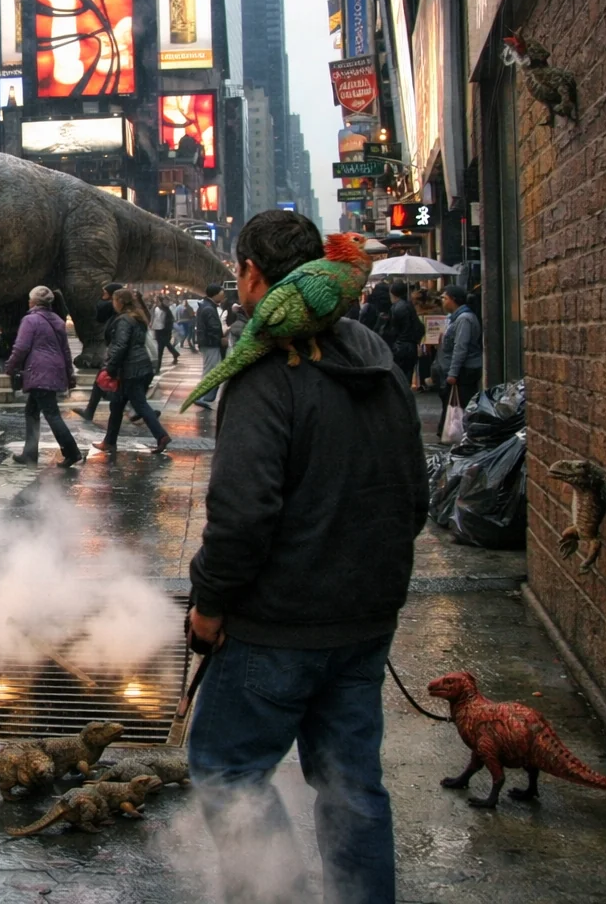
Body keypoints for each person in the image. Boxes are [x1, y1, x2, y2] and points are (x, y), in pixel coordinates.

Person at [186, 210, 427, 904]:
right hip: (363, 624)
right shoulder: (378, 362)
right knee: (352, 788)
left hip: (276, 627)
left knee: (227, 769)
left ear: (253, 275)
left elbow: (241, 517)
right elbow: (415, 496)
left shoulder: (266, 374)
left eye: (240, 273)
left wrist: (208, 606)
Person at [5, 286, 81, 467]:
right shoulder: (57, 320)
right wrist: (69, 373)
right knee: (31, 411)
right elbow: (65, 350)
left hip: (39, 370)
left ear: (33, 301)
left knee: (51, 414)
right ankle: (30, 453)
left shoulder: (30, 320)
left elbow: (21, 347)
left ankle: (72, 451)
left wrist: (11, 365)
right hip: (54, 369)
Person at [94, 288, 172, 456]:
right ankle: (109, 441)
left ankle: (161, 436)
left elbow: (121, 345)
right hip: (139, 366)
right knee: (116, 405)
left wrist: (110, 367)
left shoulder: (124, 320)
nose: (113, 304)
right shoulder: (138, 317)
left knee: (140, 404)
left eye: (114, 301)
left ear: (120, 302)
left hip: (130, 369)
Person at [436, 284, 483, 438]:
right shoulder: (455, 318)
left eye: (445, 298)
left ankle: (462, 435)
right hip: (456, 368)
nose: (442, 301)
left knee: (461, 405)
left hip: (465, 369)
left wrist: (453, 373)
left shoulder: (464, 319)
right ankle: (451, 434)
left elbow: (460, 348)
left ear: (453, 300)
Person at [74, 282, 124, 424]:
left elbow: (99, 312)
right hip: (116, 353)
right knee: (100, 381)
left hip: (119, 355)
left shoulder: (117, 311)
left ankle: (143, 413)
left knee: (124, 389)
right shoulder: (118, 310)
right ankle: (90, 411)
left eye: (105, 292)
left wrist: (103, 300)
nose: (102, 294)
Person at [193, 284, 227, 409]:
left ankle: (205, 396)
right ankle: (200, 396)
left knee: (212, 369)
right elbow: (213, 328)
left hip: (208, 343)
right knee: (210, 370)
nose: (223, 295)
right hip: (210, 344)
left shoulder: (206, 306)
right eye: (221, 293)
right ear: (215, 294)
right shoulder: (209, 309)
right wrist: (220, 339)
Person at [387, 281, 423, 386]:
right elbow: (420, 328)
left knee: (398, 377)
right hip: (411, 346)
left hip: (400, 346)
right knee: (407, 375)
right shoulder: (409, 306)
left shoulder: (395, 308)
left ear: (392, 293)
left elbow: (392, 330)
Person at [151, 295, 179, 369]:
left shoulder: (165, 309)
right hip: (158, 330)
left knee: (160, 349)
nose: (155, 300)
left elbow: (169, 321)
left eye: (156, 299)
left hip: (164, 331)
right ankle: (175, 353)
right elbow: (154, 318)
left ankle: (158, 368)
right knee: (164, 346)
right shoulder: (156, 308)